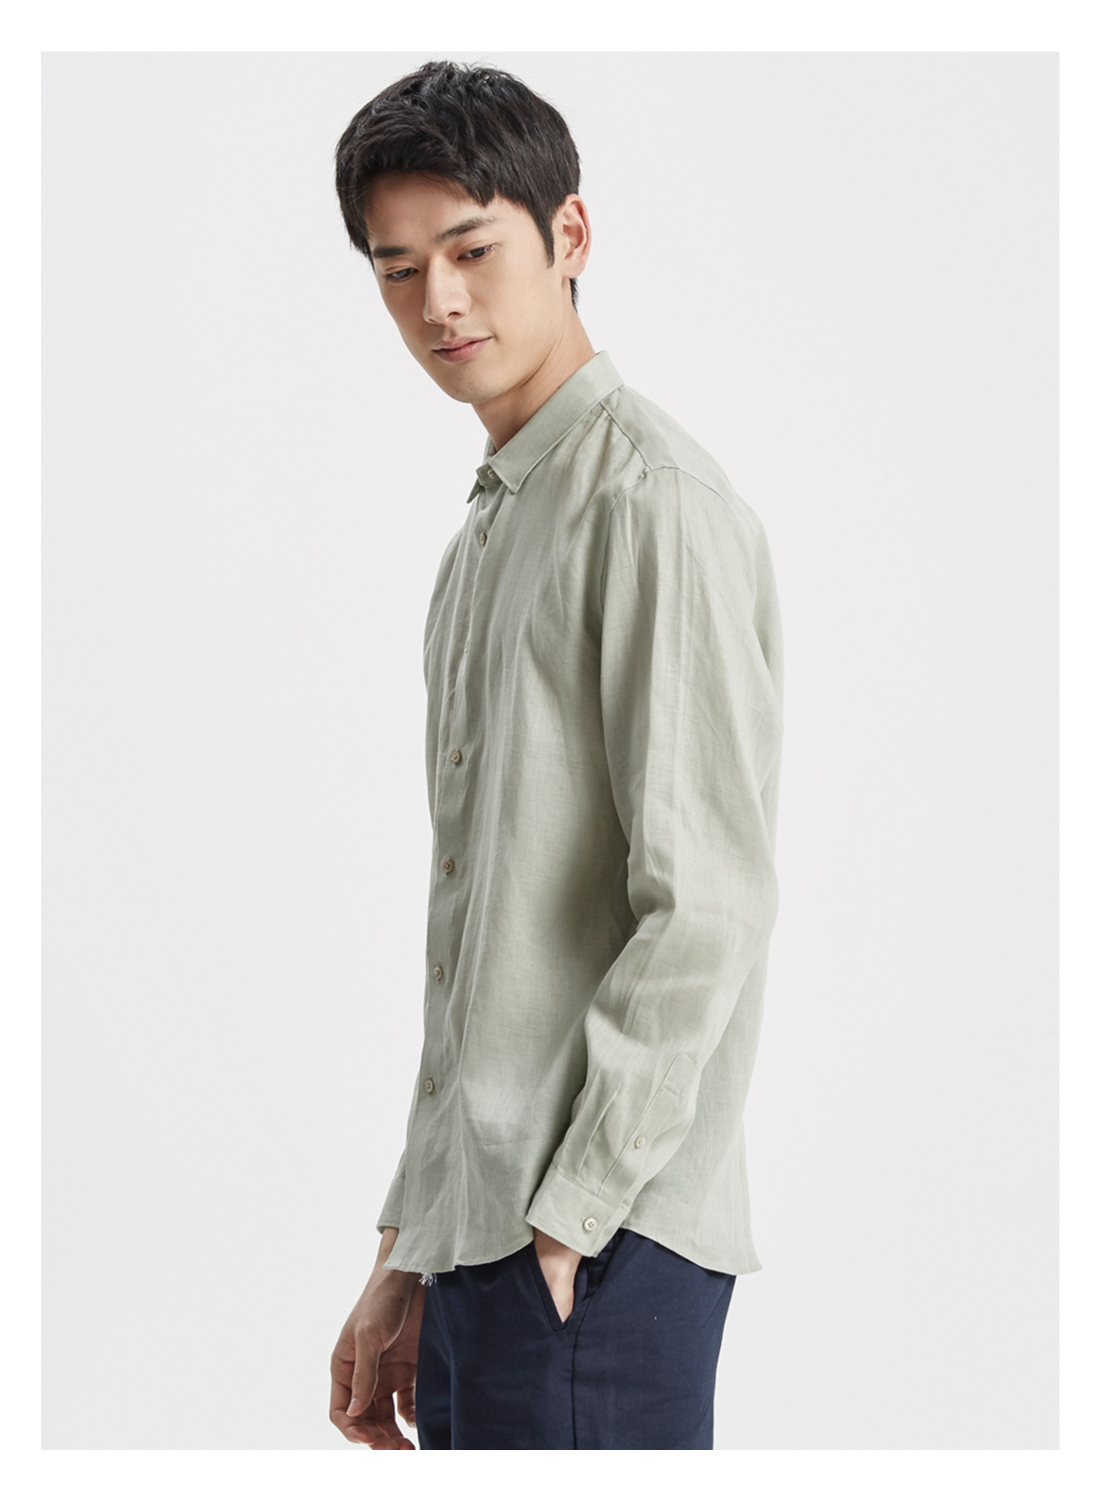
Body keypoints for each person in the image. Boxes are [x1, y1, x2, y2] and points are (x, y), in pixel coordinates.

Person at [327, 59, 784, 1451]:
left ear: (568, 235)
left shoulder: (652, 504)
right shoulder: (486, 536)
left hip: (600, 1246)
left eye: (472, 250)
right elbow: (483, 953)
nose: (438, 302)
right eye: (398, 268)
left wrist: (568, 1220)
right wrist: (412, 1245)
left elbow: (706, 904)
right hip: (491, 1245)